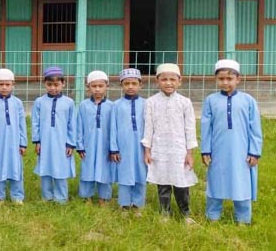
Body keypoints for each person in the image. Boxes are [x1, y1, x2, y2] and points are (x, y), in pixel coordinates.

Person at [201, 59, 262, 225]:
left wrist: (254, 151)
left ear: (238, 79)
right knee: (215, 181)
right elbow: (206, 127)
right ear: (216, 79)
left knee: (241, 182)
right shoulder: (210, 100)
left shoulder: (248, 100)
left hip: (242, 151)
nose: (225, 82)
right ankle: (212, 216)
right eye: (221, 79)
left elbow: (255, 128)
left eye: (229, 79)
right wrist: (205, 150)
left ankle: (243, 218)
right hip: (217, 150)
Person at [142, 63, 198, 224]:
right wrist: (147, 150)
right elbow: (149, 127)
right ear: (157, 81)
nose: (168, 83)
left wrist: (189, 153)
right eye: (164, 79)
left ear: (179, 81)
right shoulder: (151, 102)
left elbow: (190, 128)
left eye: (172, 79)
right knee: (163, 182)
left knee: (181, 183)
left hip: (179, 149)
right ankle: (164, 212)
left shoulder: (185, 102)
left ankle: (185, 213)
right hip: (159, 149)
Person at [32, 66, 76, 204]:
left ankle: (61, 197)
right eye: (49, 84)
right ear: (45, 84)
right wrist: (37, 141)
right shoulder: (39, 102)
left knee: (61, 168)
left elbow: (72, 124)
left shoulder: (69, 102)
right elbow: (35, 123)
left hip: (62, 142)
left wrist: (70, 143)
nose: (53, 88)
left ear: (63, 83)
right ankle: (47, 196)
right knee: (45, 168)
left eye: (56, 85)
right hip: (45, 141)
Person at [109, 68, 147, 214]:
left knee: (140, 173)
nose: (130, 86)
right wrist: (114, 148)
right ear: (121, 86)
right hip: (123, 146)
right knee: (125, 173)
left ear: (140, 85)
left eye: (134, 83)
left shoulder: (146, 104)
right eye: (126, 83)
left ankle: (138, 204)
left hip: (141, 146)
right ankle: (124, 204)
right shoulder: (116, 105)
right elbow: (113, 127)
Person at [0, 69, 26, 204]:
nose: (4, 87)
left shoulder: (17, 103)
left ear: (13, 84)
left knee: (16, 167)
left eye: (7, 84)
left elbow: (22, 124)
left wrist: (23, 143)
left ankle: (17, 195)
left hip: (14, 142)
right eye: (1, 84)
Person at [76, 71, 114, 204]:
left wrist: (113, 147)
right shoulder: (83, 105)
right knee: (87, 169)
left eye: (100, 86)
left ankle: (104, 198)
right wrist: (80, 145)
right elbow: (79, 126)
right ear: (88, 87)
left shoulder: (111, 106)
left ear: (106, 86)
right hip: (88, 144)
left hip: (105, 145)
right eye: (94, 86)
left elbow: (114, 128)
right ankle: (87, 197)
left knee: (105, 170)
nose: (97, 89)